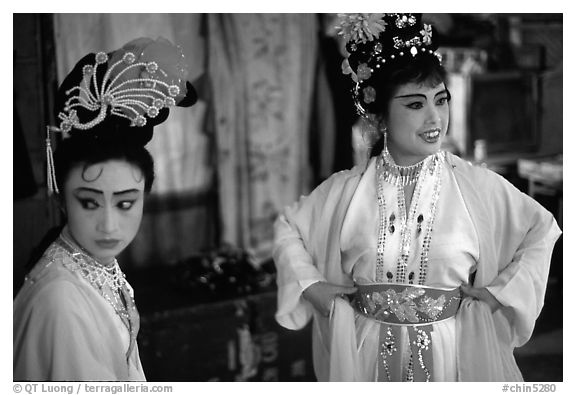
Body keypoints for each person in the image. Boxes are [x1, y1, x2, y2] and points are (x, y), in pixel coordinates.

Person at [273, 13, 561, 382]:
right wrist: (312, 287)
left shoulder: (475, 186)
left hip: (451, 356)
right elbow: (288, 229)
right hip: (366, 355)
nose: (435, 118)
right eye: (415, 105)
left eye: (440, 100)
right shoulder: (346, 190)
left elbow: (543, 229)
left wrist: (499, 294)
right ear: (379, 116)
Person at [13, 37, 198, 381]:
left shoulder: (94, 266)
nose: (109, 225)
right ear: (61, 201)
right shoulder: (60, 302)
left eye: (126, 202)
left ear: (146, 196)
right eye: (89, 202)